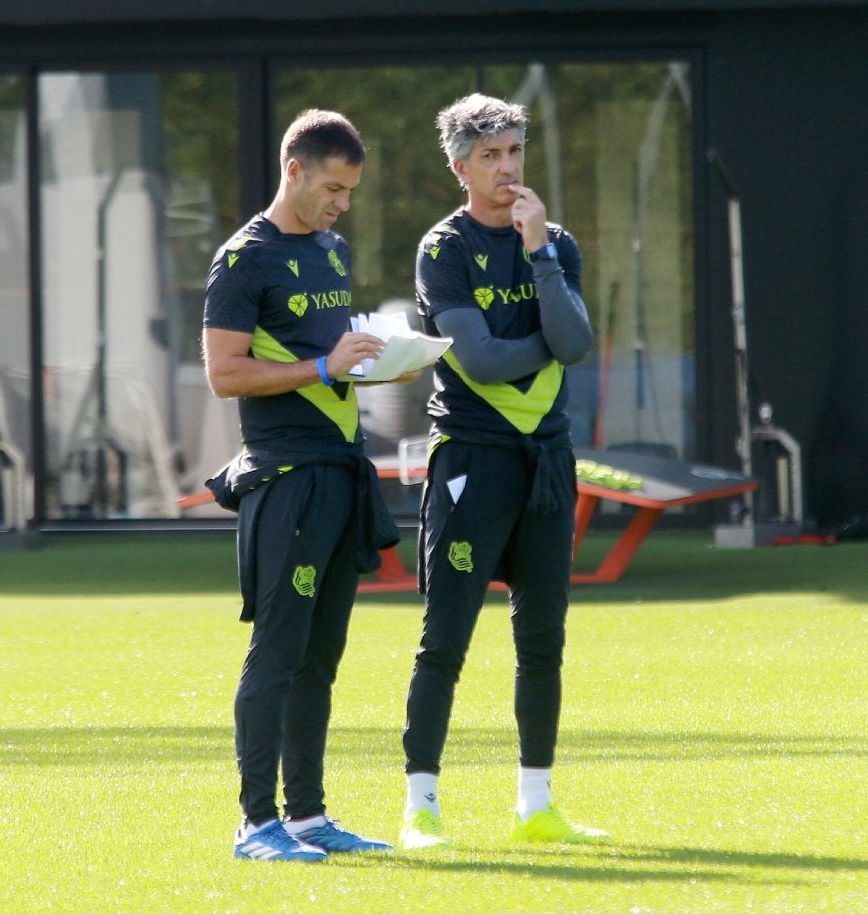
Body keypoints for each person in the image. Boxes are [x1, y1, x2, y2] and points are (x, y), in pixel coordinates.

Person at [398, 93, 609, 850]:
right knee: (445, 640)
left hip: (546, 462)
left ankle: (536, 807)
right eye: (489, 155)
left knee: (543, 640)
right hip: (471, 461)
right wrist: (551, 341)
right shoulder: (443, 248)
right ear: (461, 168)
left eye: (515, 151)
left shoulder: (555, 243)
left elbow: (577, 344)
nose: (507, 167)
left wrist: (540, 252)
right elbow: (483, 362)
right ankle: (421, 808)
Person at [203, 108, 409, 862]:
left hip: (341, 472)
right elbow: (225, 374)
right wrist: (324, 367)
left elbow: (327, 363)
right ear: (294, 171)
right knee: (277, 654)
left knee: (321, 658)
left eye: (351, 191)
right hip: (284, 478)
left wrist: (383, 363)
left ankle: (308, 816)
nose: (342, 204)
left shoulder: (331, 250)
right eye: (333, 188)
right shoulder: (242, 259)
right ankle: (255, 824)